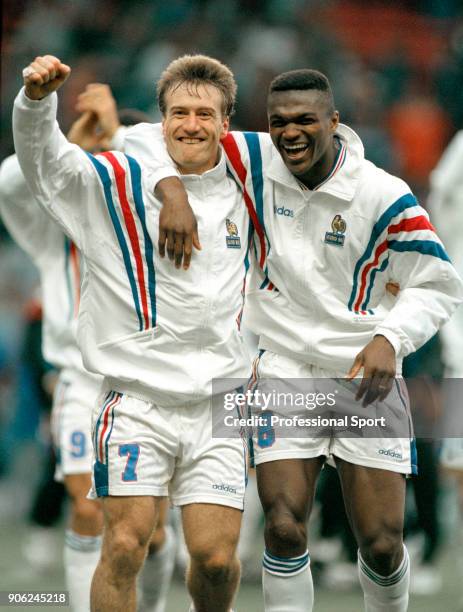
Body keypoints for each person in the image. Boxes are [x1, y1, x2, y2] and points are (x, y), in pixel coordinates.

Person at [143, 68, 463, 612]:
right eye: (278, 123)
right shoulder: (253, 160)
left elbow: (439, 281)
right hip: (282, 367)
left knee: (383, 544)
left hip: (363, 375)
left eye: (304, 121)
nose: (289, 133)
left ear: (334, 122)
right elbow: (150, 139)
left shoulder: (384, 194)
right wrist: (169, 187)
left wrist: (391, 336)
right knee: (285, 527)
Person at [14, 54, 252, 612]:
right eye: (177, 112)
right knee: (123, 544)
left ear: (226, 122)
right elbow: (43, 164)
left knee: (216, 562)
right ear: (160, 121)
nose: (190, 124)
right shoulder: (111, 181)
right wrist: (35, 103)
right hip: (136, 400)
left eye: (204, 113)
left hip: (221, 401)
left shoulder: (254, 189)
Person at [1, 85, 175, 612]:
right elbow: (10, 185)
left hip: (151, 385)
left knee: (149, 533)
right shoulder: (58, 223)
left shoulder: (167, 220)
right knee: (87, 508)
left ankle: (154, 605)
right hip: (80, 380)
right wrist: (69, 140)